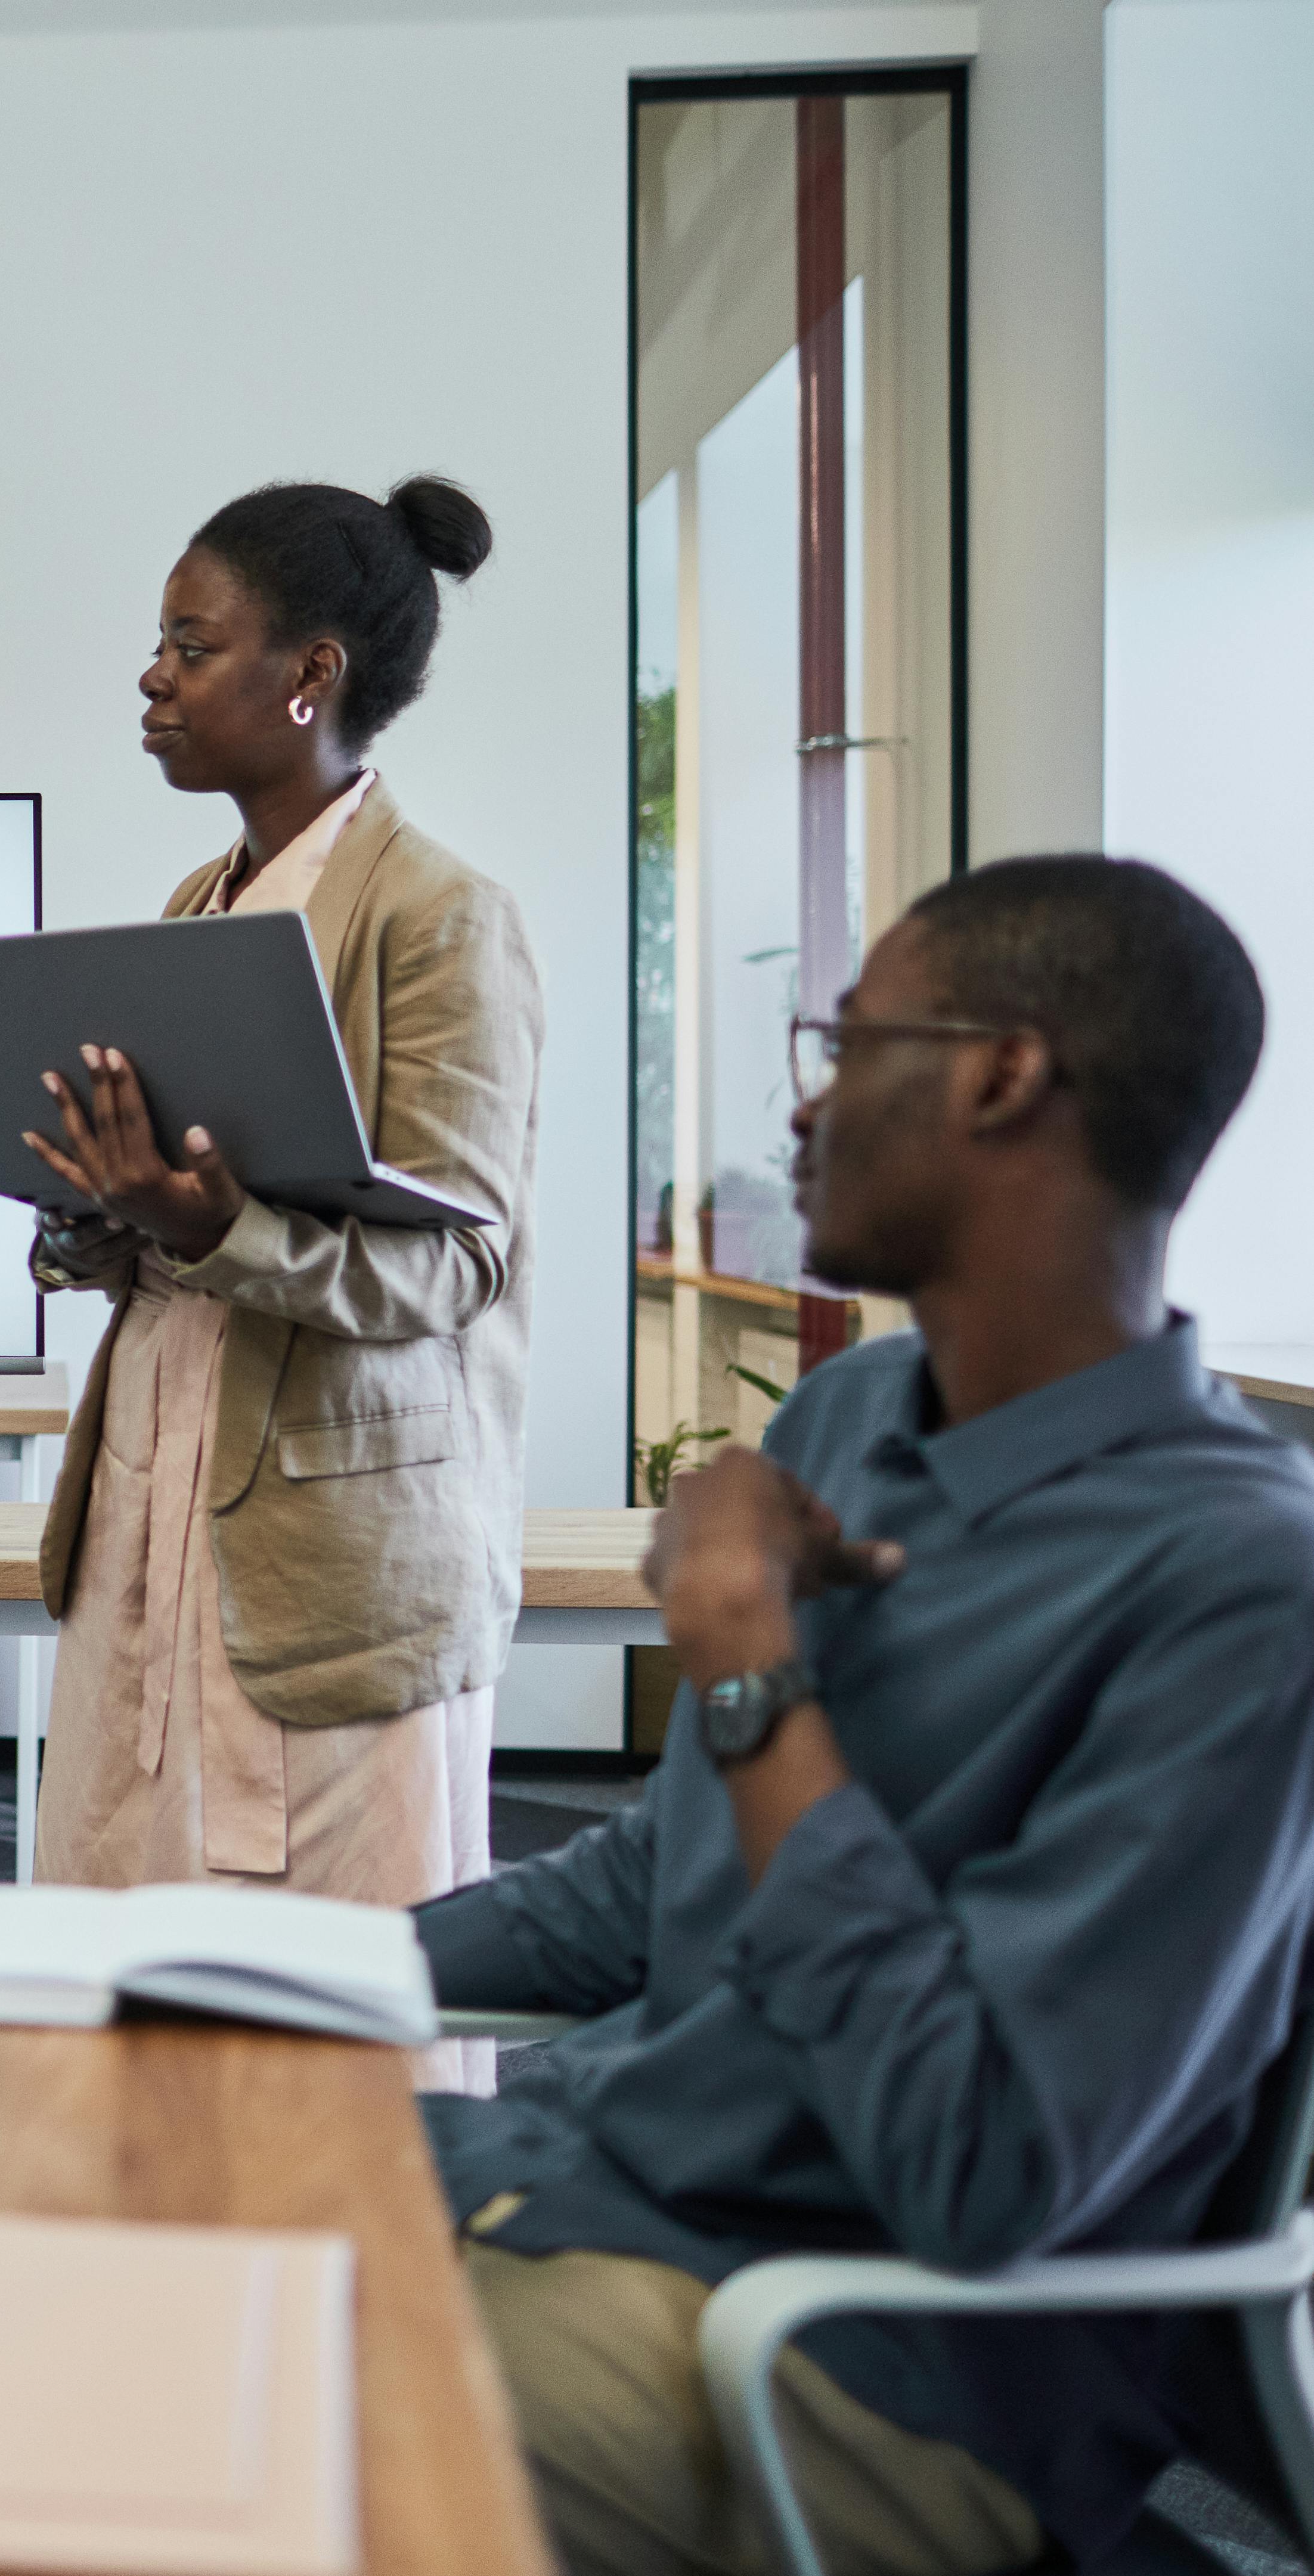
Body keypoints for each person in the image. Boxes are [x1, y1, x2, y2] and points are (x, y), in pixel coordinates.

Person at [419, 858, 1314, 2576]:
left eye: (843, 1047)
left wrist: (748, 1666)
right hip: (568, 2190)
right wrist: (259, 1965)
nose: (802, 1107)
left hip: (862, 2367)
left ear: (999, 1076)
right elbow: (648, 1887)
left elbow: (976, 2169)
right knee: (68, 2218)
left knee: (150, 2408)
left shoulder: (1236, 1579)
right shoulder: (843, 1418)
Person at [23, 478, 541, 2051]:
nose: (152, 677)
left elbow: (454, 1267)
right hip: (157, 1492)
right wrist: (100, 1210)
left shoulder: (438, 916)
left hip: (334, 1540)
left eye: (191, 647)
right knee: (124, 1954)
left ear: (308, 673)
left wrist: (214, 1231)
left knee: (332, 2011)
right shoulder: (197, 904)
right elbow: (183, 1223)